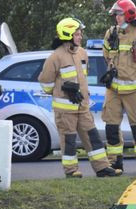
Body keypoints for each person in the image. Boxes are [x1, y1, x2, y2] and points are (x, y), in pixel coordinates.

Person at [39, 18, 121, 179]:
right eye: (77, 34)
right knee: (68, 140)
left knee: (93, 137)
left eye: (80, 33)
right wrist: (63, 89)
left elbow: (83, 79)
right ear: (67, 35)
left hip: (82, 107)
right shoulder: (55, 57)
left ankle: (103, 168)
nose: (80, 36)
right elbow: (45, 84)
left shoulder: (82, 53)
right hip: (65, 110)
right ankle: (71, 171)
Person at [101, 1, 136, 172]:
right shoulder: (111, 33)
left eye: (120, 14)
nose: (117, 17)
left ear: (129, 14)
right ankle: (114, 162)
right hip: (114, 90)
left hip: (133, 90)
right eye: (116, 14)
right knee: (111, 126)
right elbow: (106, 54)